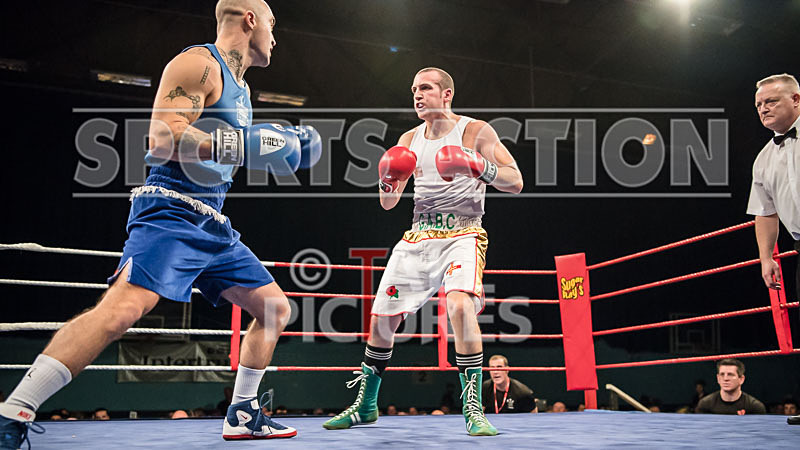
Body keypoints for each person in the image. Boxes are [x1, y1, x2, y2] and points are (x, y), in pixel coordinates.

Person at [0, 1, 321, 446]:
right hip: (171, 209)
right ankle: (14, 410)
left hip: (212, 222)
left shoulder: (242, 91)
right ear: (250, 19)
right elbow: (164, 137)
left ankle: (243, 414)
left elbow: (228, 146)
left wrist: (260, 145)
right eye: (272, 22)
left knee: (274, 308)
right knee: (122, 312)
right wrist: (243, 147)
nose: (275, 34)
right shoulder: (198, 65)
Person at [322, 67, 523, 436]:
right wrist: (387, 177)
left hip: (464, 233)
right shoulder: (408, 138)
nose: (417, 94)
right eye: (414, 89)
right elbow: (388, 202)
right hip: (419, 236)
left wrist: (479, 166)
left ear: (447, 94)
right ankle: (366, 405)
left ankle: (474, 410)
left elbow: (515, 181)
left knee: (460, 305)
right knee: (382, 320)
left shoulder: (476, 131)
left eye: (426, 88)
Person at [745, 72, 800, 425]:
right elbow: (765, 213)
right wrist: (767, 256)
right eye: (759, 105)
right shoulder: (763, 159)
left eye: (772, 101)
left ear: (796, 100)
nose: (764, 109)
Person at [695, 359, 766, 415]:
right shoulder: (705, 404)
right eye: (722, 374)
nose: (725, 378)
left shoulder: (754, 407)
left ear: (741, 379)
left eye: (730, 374)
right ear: (718, 378)